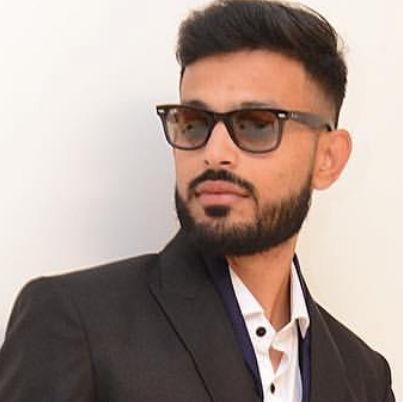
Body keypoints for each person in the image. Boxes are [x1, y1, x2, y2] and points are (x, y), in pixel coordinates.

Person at [0, 0, 395, 401]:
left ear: (328, 158)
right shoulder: (77, 321)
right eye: (194, 123)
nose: (214, 152)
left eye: (256, 125)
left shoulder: (365, 377)